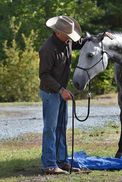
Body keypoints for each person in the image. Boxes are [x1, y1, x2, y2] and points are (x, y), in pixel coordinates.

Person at [39, 15, 86, 175]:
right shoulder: (48, 49)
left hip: (60, 91)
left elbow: (82, 42)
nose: (71, 38)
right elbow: (44, 75)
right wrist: (61, 90)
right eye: (68, 35)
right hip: (50, 92)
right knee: (50, 129)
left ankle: (61, 161)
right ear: (58, 33)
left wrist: (101, 36)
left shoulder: (67, 41)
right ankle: (49, 165)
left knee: (61, 127)